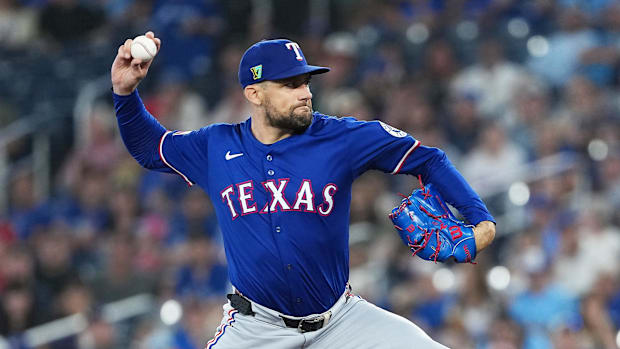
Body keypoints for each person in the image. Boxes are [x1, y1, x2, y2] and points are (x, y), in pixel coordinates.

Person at [111, 31, 496, 349]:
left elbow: (428, 159)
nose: (305, 93)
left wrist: (481, 221)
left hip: (341, 321)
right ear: (255, 93)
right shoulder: (215, 145)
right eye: (290, 84)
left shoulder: (340, 138)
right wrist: (125, 96)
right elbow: (150, 148)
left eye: (306, 82)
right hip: (256, 328)